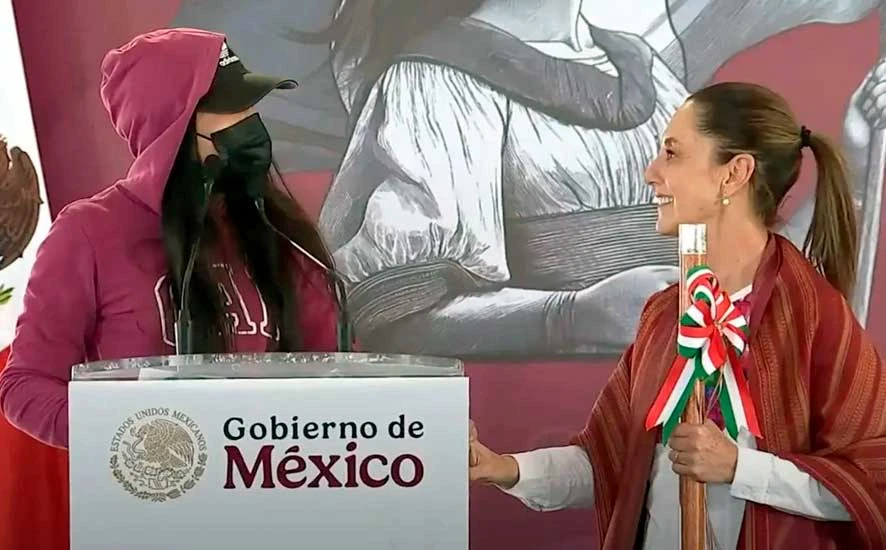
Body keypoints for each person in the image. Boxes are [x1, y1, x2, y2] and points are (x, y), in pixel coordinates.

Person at [469, 82, 886, 548]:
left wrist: (740, 467)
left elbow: (872, 481)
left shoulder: (814, 316)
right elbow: (612, 463)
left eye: (672, 153)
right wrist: (502, 468)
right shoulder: (666, 314)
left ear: (734, 174)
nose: (651, 173)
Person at [0, 28, 340, 450]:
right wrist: (134, 441)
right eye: (230, 109)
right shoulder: (89, 233)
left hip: (274, 477)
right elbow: (26, 386)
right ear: (171, 132)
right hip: (157, 482)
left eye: (251, 107)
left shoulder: (276, 227)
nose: (251, 123)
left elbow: (340, 368)